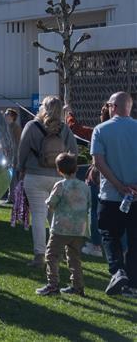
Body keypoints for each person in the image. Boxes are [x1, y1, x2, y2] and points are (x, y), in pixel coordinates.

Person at [17, 95, 78, 267]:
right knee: (56, 217)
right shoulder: (64, 129)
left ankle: (39, 255)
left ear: (43, 108)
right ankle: (61, 253)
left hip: (34, 176)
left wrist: (21, 169)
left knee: (38, 215)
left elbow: (22, 151)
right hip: (58, 177)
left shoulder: (31, 126)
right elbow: (73, 152)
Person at [90, 91, 137, 297]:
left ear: (113, 107)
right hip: (135, 196)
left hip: (110, 195)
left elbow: (98, 162)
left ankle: (117, 271)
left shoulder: (101, 130)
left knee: (109, 235)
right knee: (135, 240)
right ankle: (133, 283)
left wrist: (118, 185)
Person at [36, 153, 90, 296]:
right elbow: (89, 205)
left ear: (59, 170)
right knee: (74, 258)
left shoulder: (60, 185)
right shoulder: (85, 187)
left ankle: (52, 285)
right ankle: (78, 287)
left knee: (51, 255)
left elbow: (51, 203)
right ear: (76, 168)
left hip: (61, 228)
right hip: (79, 229)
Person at [67, 102, 110, 257]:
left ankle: (96, 245)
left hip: (98, 178)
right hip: (118, 179)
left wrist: (69, 114)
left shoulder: (98, 132)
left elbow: (75, 128)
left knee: (94, 212)